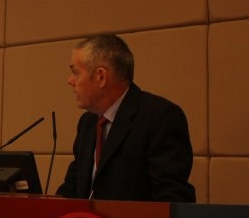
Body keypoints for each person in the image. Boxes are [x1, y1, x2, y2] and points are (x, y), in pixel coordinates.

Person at [56, 34, 196, 202]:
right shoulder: (88, 122)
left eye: (75, 72)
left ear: (101, 77)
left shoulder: (160, 117)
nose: (70, 81)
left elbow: (172, 199)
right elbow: (72, 189)